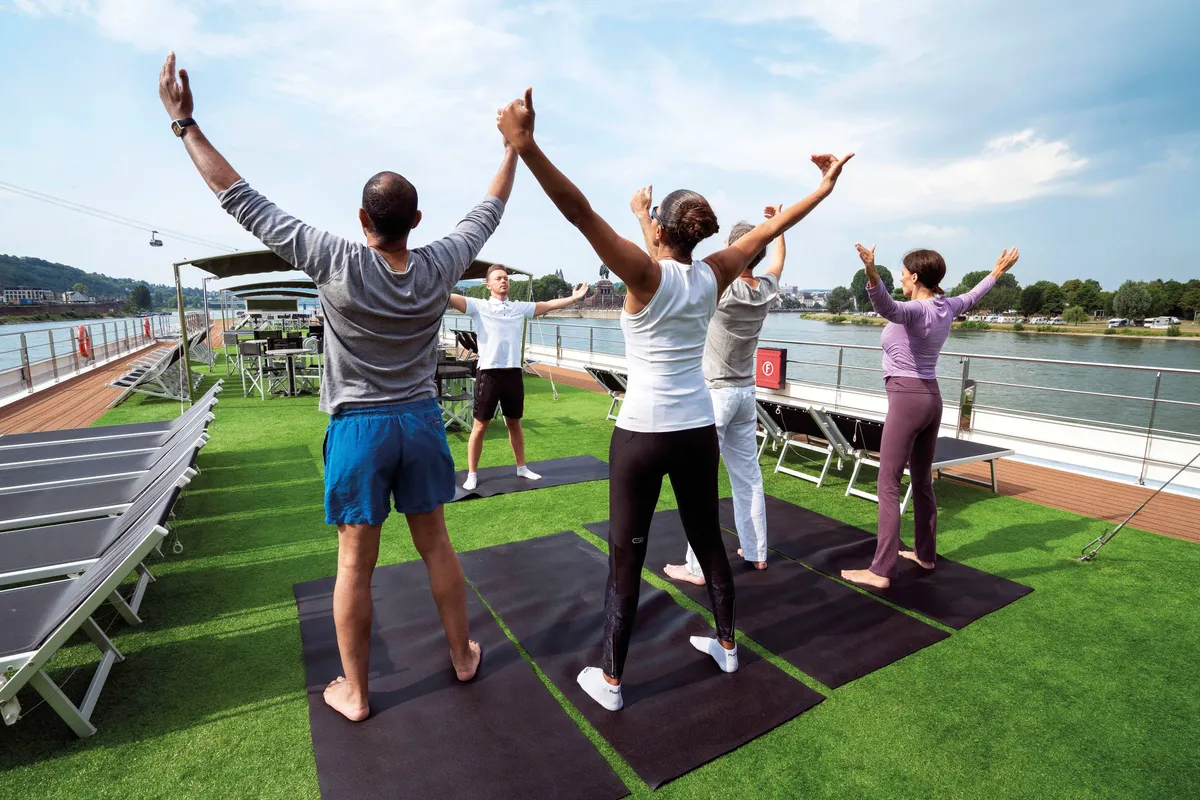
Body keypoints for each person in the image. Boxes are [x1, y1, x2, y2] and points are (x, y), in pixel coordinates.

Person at [158, 52, 518, 721]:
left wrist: (185, 125)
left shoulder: (334, 259)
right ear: (416, 220)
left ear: (362, 217)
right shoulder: (441, 262)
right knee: (437, 544)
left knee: (355, 563)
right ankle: (462, 655)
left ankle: (357, 693)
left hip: (360, 429)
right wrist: (512, 146)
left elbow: (240, 199)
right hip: (420, 422)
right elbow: (489, 211)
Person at [496, 86, 852, 711]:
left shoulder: (644, 275)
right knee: (708, 539)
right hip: (695, 430)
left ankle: (612, 681)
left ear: (659, 229)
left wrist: (525, 146)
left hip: (641, 433)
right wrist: (823, 187)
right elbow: (772, 227)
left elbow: (580, 213)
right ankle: (728, 645)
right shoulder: (713, 273)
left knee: (625, 556)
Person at [840, 244, 1020, 589]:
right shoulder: (946, 306)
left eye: (902, 274)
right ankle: (925, 554)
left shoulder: (915, 310)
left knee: (888, 482)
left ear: (915, 277)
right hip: (932, 400)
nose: (901, 279)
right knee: (921, 478)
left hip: (907, 399)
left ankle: (881, 571)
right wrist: (997, 272)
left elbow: (886, 307)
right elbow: (974, 295)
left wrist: (872, 271)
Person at [646, 202, 787, 583]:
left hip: (715, 396)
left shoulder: (720, 288)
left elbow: (664, 268)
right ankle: (757, 552)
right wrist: (777, 227)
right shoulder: (765, 290)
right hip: (745, 394)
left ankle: (696, 567)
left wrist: (647, 219)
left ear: (733, 249)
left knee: (700, 483)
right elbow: (777, 262)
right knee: (748, 477)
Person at [447, 268, 589, 491]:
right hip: (489, 373)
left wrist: (574, 298)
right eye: (498, 278)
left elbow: (548, 305)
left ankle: (521, 467)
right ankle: (472, 473)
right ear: (488, 285)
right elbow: (447, 296)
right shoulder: (478, 306)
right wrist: (431, 281)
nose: (503, 281)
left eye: (506, 278)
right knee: (480, 425)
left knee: (514, 423)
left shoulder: (519, 308)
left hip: (513, 373)